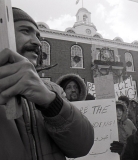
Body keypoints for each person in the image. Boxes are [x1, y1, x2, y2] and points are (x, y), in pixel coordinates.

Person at [0, 7, 94, 159]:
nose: (37, 42)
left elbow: (82, 147)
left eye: (38, 36)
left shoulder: (54, 90)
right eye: (25, 31)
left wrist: (52, 103)